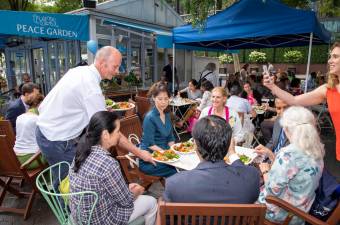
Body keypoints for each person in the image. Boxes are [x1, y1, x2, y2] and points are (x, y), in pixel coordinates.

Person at [36, 46, 154, 183]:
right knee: (68, 185)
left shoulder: (80, 71)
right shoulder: (91, 88)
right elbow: (109, 131)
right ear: (103, 64)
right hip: (56, 139)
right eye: (115, 67)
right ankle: (66, 204)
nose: (117, 72)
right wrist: (139, 153)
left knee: (71, 178)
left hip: (47, 131)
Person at [69, 111, 157, 225]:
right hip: (101, 221)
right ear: (105, 135)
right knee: (152, 202)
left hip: (79, 217)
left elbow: (99, 186)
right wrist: (137, 190)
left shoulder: (80, 153)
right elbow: (127, 201)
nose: (119, 134)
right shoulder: (108, 163)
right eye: (118, 131)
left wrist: (126, 188)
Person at [263, 42, 340, 161]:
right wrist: (273, 87)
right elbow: (294, 100)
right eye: (330, 56)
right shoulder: (328, 89)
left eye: (335, 56)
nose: (330, 60)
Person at [163, 115, 260, 203]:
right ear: (230, 144)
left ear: (195, 146)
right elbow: (244, 173)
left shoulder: (174, 184)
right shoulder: (252, 177)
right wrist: (232, 153)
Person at [258, 106, 324, 224]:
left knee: (245, 193)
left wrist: (265, 171)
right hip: (302, 210)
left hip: (283, 213)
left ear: (289, 129)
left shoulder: (289, 153)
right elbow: (294, 171)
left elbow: (272, 192)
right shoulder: (317, 148)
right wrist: (271, 155)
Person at [139, 82, 177, 177]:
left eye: (166, 99)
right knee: (178, 170)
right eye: (160, 99)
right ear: (153, 98)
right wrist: (168, 155)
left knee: (183, 164)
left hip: (165, 154)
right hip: (151, 158)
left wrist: (174, 151)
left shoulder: (167, 114)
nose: (163, 102)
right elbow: (150, 144)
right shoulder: (150, 117)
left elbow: (170, 138)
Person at [14, 94, 45, 170]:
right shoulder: (38, 119)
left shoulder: (19, 117)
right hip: (32, 160)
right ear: (40, 104)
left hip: (17, 158)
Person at [256, 98, 290, 162]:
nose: (282, 112)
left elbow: (290, 158)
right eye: (278, 108)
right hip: (271, 159)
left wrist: (270, 154)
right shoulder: (278, 120)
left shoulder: (298, 128)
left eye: (285, 107)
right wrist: (263, 153)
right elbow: (272, 142)